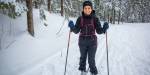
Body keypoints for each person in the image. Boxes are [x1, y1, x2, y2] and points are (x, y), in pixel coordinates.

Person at [68, 1, 109, 75]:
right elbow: (76, 30)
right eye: (85, 8)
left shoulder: (95, 19)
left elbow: (99, 30)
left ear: (91, 9)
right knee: (82, 58)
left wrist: (104, 28)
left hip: (92, 42)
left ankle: (93, 72)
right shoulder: (80, 19)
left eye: (89, 8)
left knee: (91, 60)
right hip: (82, 42)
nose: (87, 10)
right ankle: (82, 71)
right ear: (83, 9)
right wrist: (72, 26)